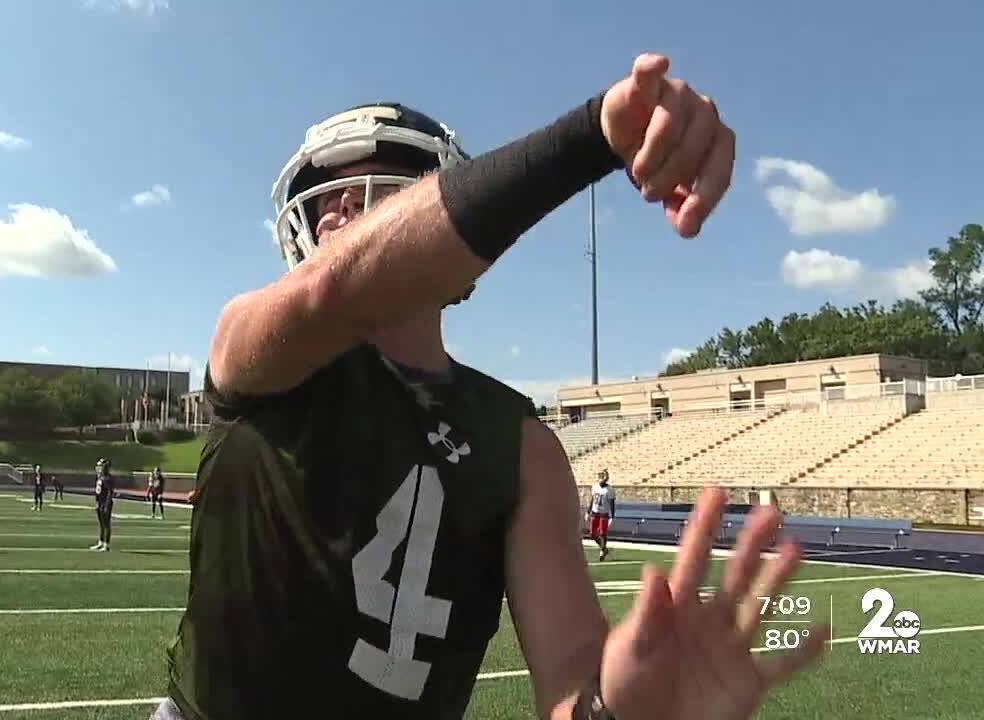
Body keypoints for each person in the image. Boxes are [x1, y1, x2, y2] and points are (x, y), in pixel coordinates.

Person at [155, 54, 826, 720]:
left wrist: (617, 712)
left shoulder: (520, 442)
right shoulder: (254, 346)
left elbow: (570, 685)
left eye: (376, 193)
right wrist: (592, 137)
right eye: (326, 194)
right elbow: (332, 293)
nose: (339, 211)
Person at [588, 469, 616, 561]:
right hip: (595, 512)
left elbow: (612, 503)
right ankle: (604, 549)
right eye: (600, 476)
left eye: (603, 476)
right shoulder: (595, 486)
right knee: (592, 534)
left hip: (604, 513)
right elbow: (592, 499)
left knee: (602, 534)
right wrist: (588, 511)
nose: (601, 478)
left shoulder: (610, 489)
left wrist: (612, 516)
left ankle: (602, 550)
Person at [91, 457, 114, 551]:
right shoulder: (100, 477)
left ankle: (106, 544)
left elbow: (109, 492)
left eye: (100, 466)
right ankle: (100, 542)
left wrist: (106, 505)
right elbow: (98, 492)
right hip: (100, 502)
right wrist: (97, 502)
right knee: (101, 524)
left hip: (105, 503)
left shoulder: (107, 478)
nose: (98, 467)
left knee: (106, 524)